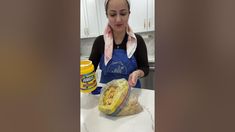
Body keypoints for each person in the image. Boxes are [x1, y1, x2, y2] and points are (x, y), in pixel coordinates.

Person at [89, 0, 149, 88]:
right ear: (107, 15)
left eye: (123, 13)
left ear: (129, 13)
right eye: (113, 14)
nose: (118, 19)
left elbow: (145, 68)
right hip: (107, 95)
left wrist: (138, 73)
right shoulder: (100, 42)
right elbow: (90, 70)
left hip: (131, 93)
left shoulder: (137, 41)